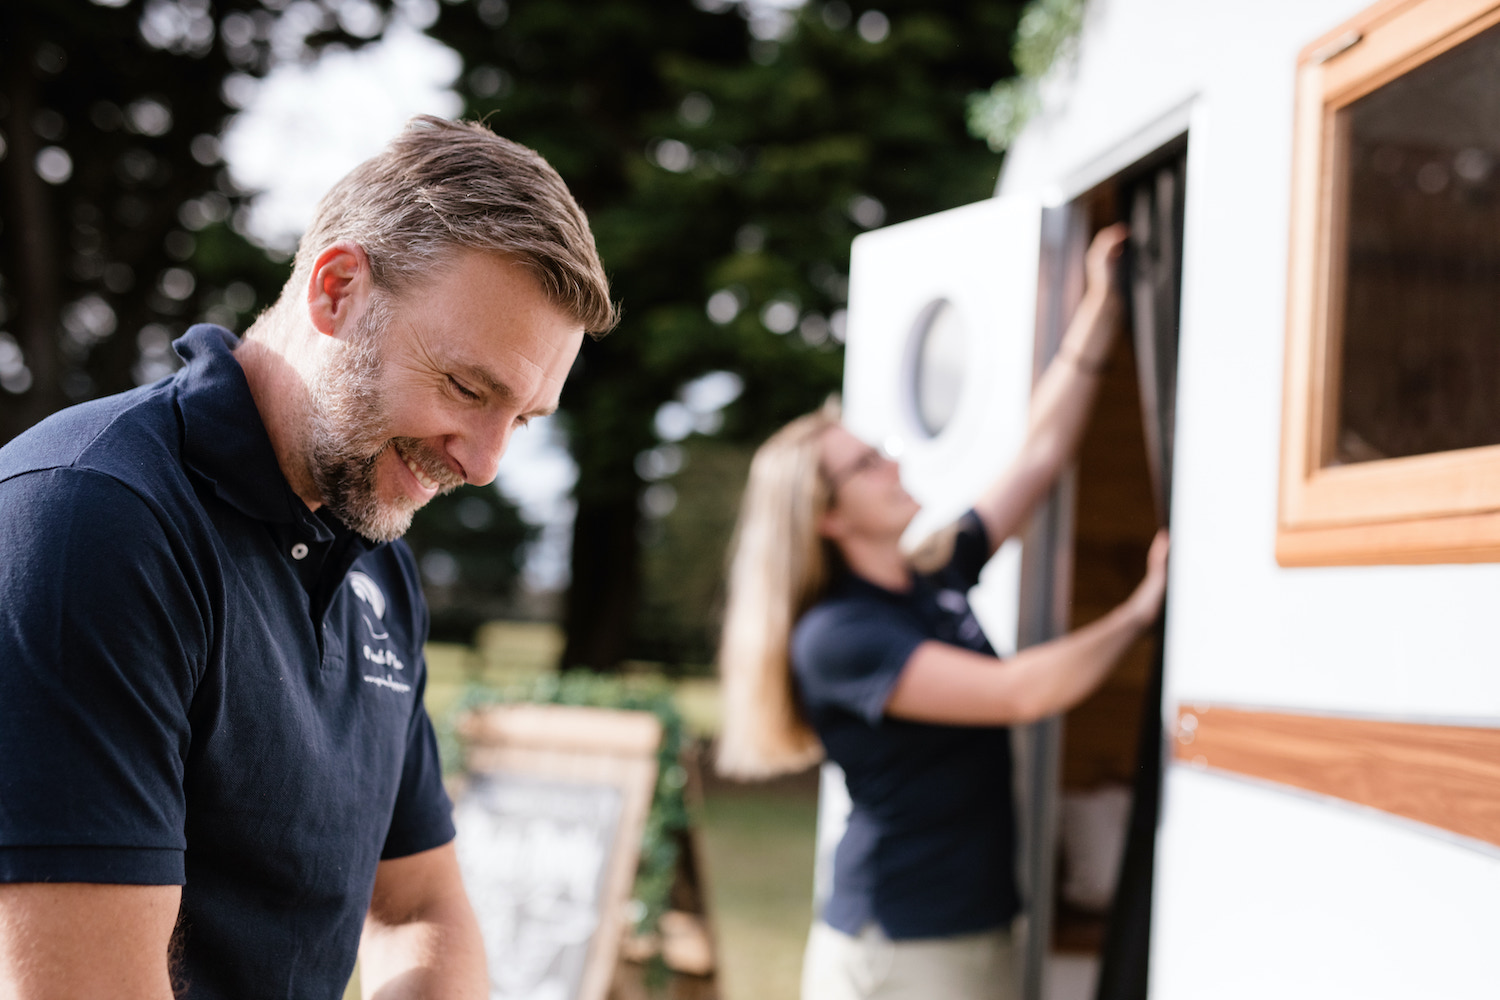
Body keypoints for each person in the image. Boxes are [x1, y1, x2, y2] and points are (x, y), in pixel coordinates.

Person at [0, 115, 617, 999]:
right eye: (466, 388)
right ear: (337, 291)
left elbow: (418, 910)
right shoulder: (89, 522)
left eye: (519, 419)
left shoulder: (376, 558)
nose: (484, 464)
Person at [716, 223, 1169, 1000]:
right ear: (827, 517)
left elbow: (1040, 457)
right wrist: (1142, 608)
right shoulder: (839, 636)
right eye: (865, 464)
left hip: (962, 926)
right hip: (904, 944)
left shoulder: (931, 573)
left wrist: (1101, 307)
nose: (893, 459)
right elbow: (1021, 693)